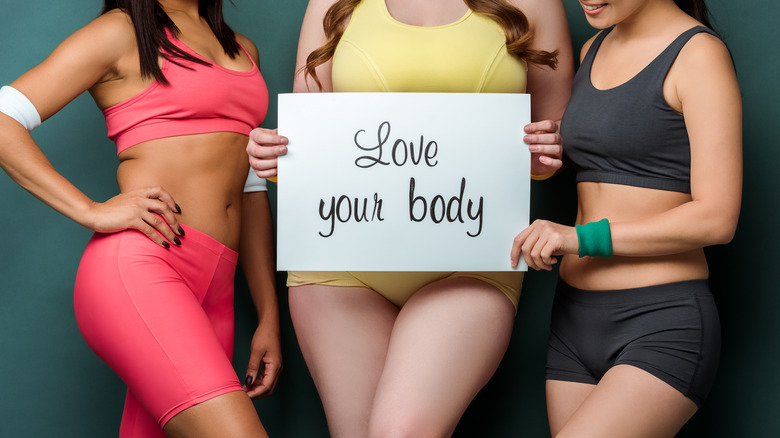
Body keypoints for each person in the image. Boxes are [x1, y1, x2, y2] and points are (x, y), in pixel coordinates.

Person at [246, 0, 573, 436]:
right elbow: (310, 135)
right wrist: (275, 157)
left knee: (402, 431)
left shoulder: (534, 3)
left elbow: (556, 143)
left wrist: (545, 151)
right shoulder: (330, 3)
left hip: (469, 262)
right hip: (342, 262)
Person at [0, 1, 281, 437]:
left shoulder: (241, 49)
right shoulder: (120, 31)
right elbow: (4, 119)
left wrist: (268, 313)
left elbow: (249, 187)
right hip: (145, 268)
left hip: (216, 288)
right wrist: (91, 211)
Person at [510, 0, 741, 436]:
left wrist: (580, 239)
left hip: (660, 320)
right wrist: (548, 150)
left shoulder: (697, 54)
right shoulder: (594, 47)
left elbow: (717, 218)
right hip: (573, 322)